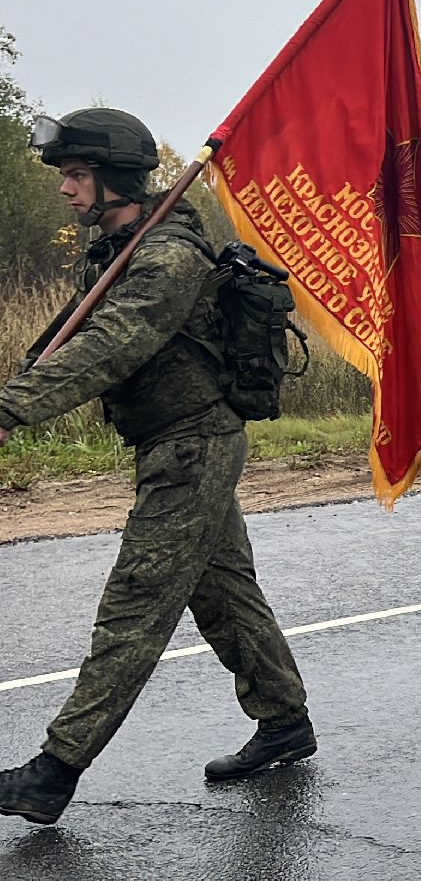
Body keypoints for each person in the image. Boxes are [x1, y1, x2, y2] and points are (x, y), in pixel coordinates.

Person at [0, 109, 313, 826]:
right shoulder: (118, 248)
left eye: (77, 176)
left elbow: (111, 344)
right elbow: (66, 339)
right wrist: (19, 389)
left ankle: (53, 771)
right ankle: (284, 721)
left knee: (137, 604)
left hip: (194, 442)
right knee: (224, 593)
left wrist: (12, 409)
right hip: (168, 441)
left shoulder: (168, 257)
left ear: (114, 179)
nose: (66, 190)